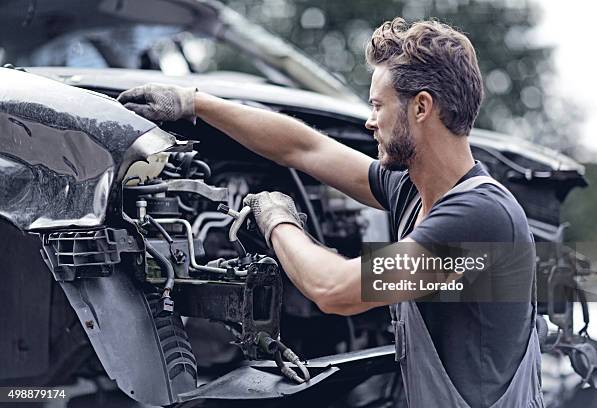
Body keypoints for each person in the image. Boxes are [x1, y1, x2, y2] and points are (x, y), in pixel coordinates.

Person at [119, 18, 544, 408]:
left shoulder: (482, 219)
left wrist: (276, 219)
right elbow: (306, 148)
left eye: (378, 106)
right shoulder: (412, 191)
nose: (369, 122)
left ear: (421, 108)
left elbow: (335, 289)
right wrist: (194, 103)